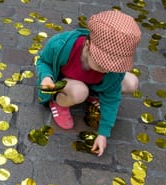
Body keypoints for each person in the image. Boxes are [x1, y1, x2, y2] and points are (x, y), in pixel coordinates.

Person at [35, 10, 141, 157]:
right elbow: (43, 62)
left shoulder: (112, 71)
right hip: (68, 83)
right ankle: (59, 102)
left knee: (131, 82)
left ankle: (94, 94)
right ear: (87, 44)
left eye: (114, 65)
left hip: (93, 85)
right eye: (102, 64)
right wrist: (47, 77)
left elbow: (112, 99)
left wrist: (103, 133)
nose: (108, 69)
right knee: (80, 91)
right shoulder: (60, 45)